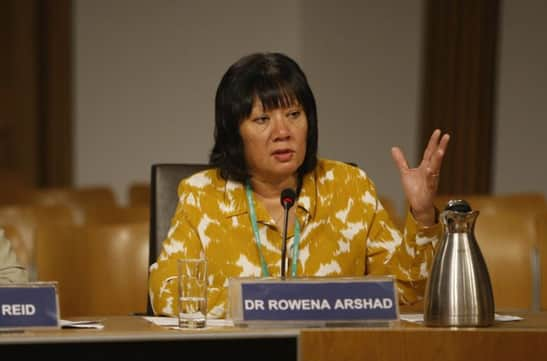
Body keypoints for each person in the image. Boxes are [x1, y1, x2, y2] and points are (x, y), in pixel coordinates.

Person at [149, 52, 449, 318]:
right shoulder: (202, 195)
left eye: (294, 115)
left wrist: (422, 214)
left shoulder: (349, 188)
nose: (283, 132)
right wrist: (265, 303)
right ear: (234, 132)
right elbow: (166, 292)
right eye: (262, 119)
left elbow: (407, 291)